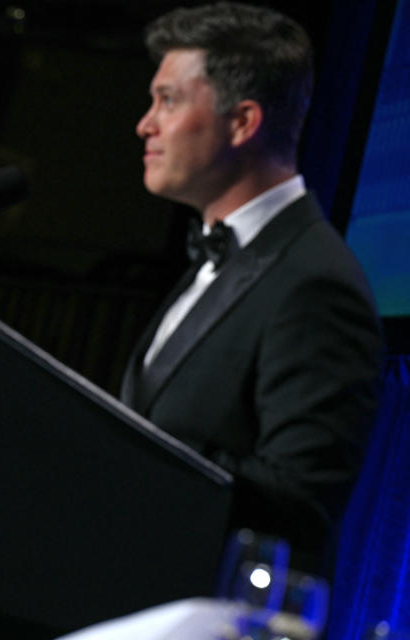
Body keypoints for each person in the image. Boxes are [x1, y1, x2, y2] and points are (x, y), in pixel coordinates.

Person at [120, 2, 382, 574]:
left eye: (167, 100)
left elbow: (300, 500)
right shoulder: (218, 259)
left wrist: (120, 464)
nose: (146, 124)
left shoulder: (316, 282)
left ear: (242, 122)